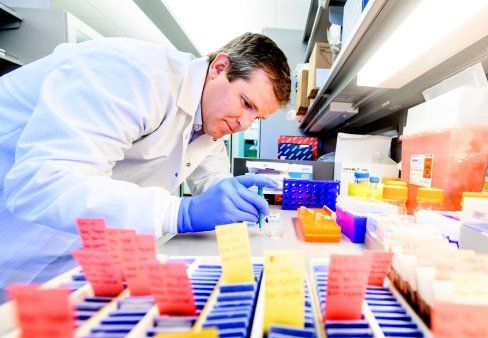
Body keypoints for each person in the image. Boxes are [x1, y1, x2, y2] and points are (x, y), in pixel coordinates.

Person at [0, 33, 291, 301]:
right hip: (13, 234)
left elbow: (211, 174)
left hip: (62, 263)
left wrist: (231, 194)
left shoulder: (210, 119)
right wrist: (180, 212)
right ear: (219, 68)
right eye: (246, 103)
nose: (244, 124)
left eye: (257, 118)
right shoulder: (133, 74)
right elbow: (42, 181)